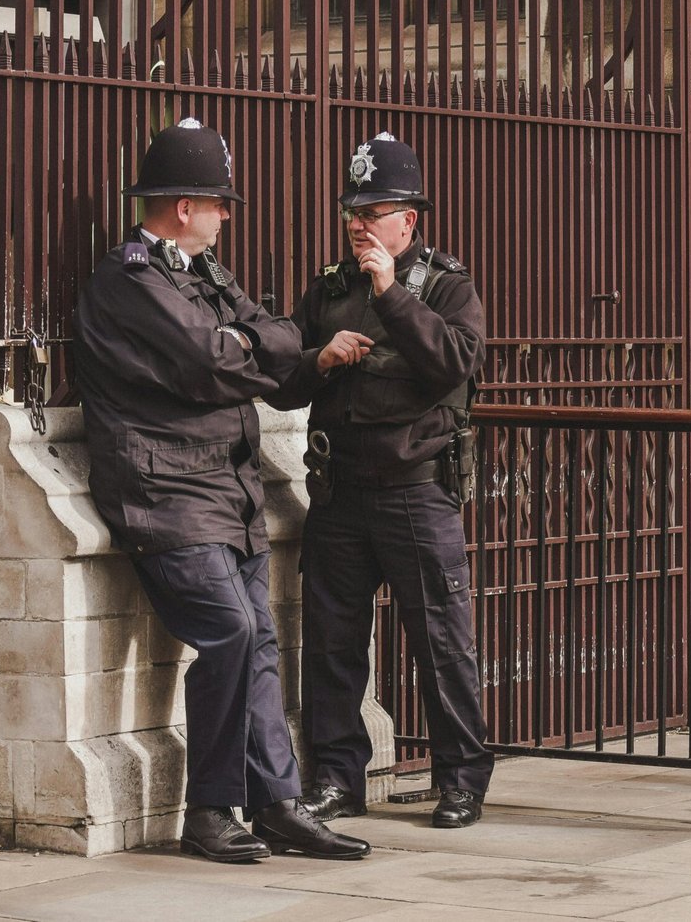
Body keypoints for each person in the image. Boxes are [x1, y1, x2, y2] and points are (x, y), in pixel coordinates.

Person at [73, 119, 371, 864]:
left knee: (259, 641)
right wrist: (244, 348)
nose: (227, 214)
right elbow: (210, 362)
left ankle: (274, 803)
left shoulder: (203, 272)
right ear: (184, 205)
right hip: (164, 494)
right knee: (233, 632)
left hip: (225, 491)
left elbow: (270, 338)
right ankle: (209, 807)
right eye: (219, 202)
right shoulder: (130, 278)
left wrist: (249, 346)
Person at [267, 132, 494, 829]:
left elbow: (453, 362)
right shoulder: (328, 291)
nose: (360, 225)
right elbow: (281, 383)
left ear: (410, 221)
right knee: (332, 647)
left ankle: (460, 779)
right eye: (353, 212)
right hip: (339, 491)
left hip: (415, 489)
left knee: (441, 641)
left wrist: (391, 292)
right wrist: (321, 362)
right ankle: (337, 778)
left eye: (376, 211)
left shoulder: (447, 288)